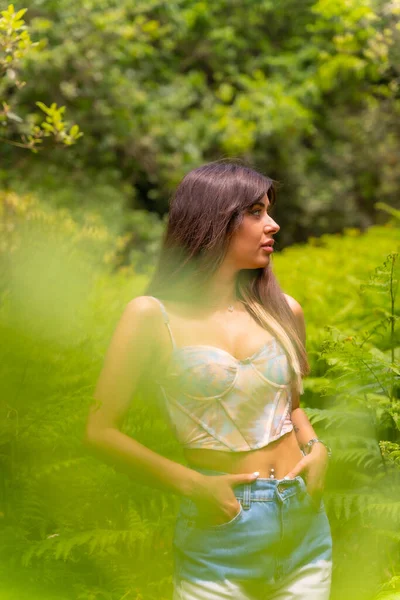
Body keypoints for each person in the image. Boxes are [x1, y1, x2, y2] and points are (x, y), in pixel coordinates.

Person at [84, 160, 333, 600]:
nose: (272, 224)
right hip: (221, 534)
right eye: (255, 212)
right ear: (214, 219)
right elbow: (100, 432)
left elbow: (291, 407)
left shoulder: (284, 310)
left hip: (304, 527)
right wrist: (194, 485)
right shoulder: (150, 316)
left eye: (269, 211)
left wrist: (317, 448)